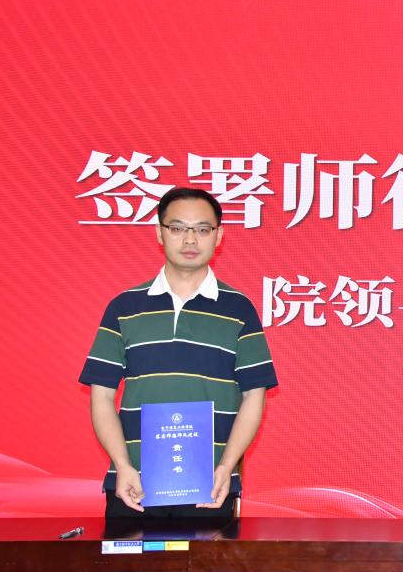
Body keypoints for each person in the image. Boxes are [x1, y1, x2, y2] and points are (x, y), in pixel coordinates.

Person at [79, 188, 278, 518]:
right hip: (134, 485)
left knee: (211, 555)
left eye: (202, 229)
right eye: (177, 228)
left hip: (211, 487)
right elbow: (102, 396)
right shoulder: (124, 307)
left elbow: (254, 397)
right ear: (160, 233)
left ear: (219, 236)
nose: (190, 239)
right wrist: (122, 465)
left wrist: (226, 466)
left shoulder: (239, 310)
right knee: (129, 555)